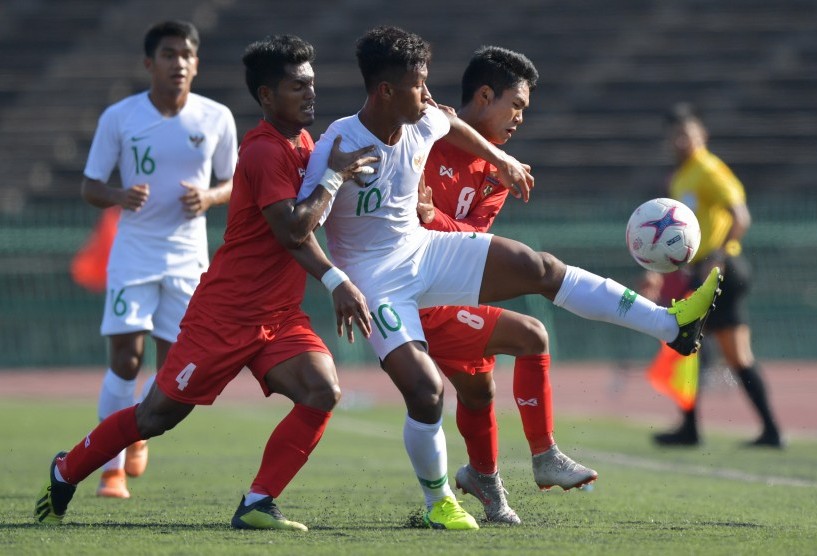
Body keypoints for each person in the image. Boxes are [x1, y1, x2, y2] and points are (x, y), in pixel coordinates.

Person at [296, 25, 722, 530]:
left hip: (425, 253)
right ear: (387, 90)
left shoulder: (427, 121)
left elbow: (450, 127)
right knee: (427, 392)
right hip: (377, 284)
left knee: (537, 268)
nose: (430, 94)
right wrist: (336, 271)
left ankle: (672, 327)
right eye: (419, 84)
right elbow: (299, 227)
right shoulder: (340, 142)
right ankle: (439, 502)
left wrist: (498, 159)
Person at [35, 34, 378, 530]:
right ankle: (66, 470)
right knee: (156, 417)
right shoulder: (262, 152)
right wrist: (333, 189)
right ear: (266, 96)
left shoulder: (302, 142)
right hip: (225, 315)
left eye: (312, 83)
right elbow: (293, 230)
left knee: (322, 389)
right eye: (297, 86)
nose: (310, 94)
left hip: (277, 316)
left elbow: (301, 229)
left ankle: (258, 502)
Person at [415, 46, 596, 525]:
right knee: (532, 334)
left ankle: (485, 483)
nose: (520, 118)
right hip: (413, 295)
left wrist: (435, 217)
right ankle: (545, 455)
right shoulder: (429, 136)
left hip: (449, 293)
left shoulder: (499, 172)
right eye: (516, 105)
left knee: (478, 394)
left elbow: (471, 239)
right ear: (485, 94)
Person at [78, 20, 238, 498]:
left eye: (187, 55)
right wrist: (119, 194)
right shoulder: (120, 118)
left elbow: (235, 183)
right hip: (133, 253)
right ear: (150, 63)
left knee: (174, 368)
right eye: (169, 55)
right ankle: (109, 468)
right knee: (126, 359)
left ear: (196, 63)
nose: (179, 63)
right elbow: (89, 187)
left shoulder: (216, 118)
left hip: (188, 257)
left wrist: (209, 198)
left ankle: (138, 433)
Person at [642, 102, 783, 448]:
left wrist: (717, 256)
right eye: (675, 135)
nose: (680, 140)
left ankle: (755, 431)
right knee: (700, 350)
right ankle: (755, 430)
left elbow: (741, 216)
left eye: (686, 133)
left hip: (721, 271)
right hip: (704, 274)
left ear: (702, 135)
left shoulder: (709, 169)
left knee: (700, 349)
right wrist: (657, 272)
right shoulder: (681, 176)